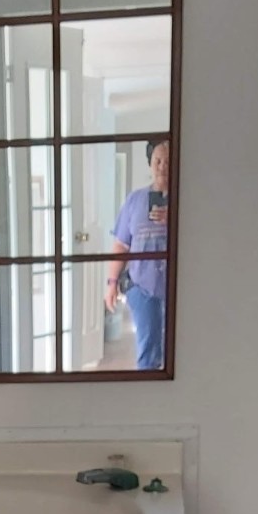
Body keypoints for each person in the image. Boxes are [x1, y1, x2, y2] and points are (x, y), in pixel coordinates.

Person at [104, 138, 169, 371]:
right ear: (150, 164)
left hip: (178, 289)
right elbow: (121, 244)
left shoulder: (188, 199)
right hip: (142, 287)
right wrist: (111, 283)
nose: (162, 167)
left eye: (168, 161)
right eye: (158, 161)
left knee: (178, 352)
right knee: (148, 349)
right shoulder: (134, 200)